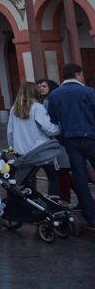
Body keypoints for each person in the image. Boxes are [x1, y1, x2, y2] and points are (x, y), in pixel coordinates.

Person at [45, 63, 95, 230]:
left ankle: (91, 216)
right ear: (77, 74)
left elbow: (52, 120)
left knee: (80, 177)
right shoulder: (89, 92)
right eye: (81, 74)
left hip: (70, 140)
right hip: (91, 137)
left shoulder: (54, 95)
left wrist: (62, 137)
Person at [7, 81, 62, 196]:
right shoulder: (37, 107)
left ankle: (31, 203)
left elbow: (10, 132)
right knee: (53, 176)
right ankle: (53, 203)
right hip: (40, 150)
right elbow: (48, 128)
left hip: (22, 151)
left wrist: (13, 149)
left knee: (29, 178)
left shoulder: (14, 109)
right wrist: (59, 128)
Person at [37, 78, 72, 202]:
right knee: (63, 171)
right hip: (56, 139)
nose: (41, 88)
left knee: (62, 171)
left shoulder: (49, 101)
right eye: (40, 86)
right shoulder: (44, 101)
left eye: (44, 86)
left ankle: (64, 199)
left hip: (57, 139)